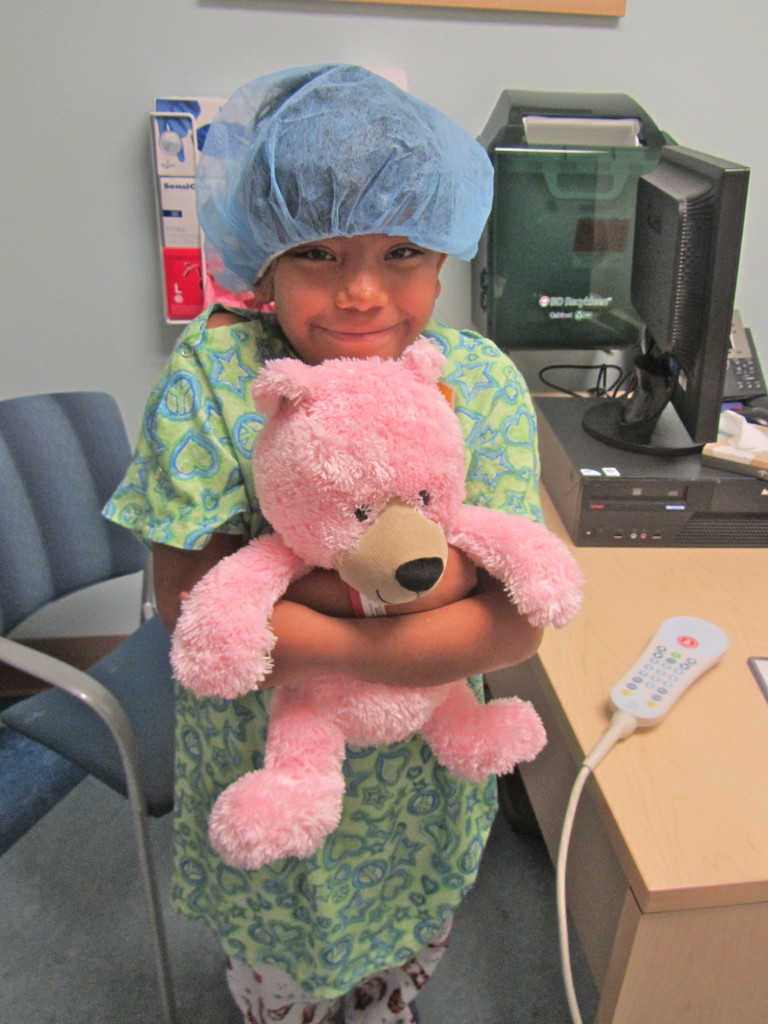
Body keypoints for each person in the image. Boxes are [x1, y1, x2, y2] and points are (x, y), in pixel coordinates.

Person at [105, 64, 545, 1024]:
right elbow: (196, 611)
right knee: (286, 982)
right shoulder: (218, 380)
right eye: (315, 252)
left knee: (403, 962)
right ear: (261, 260)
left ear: (444, 256)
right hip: (271, 767)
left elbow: (513, 629)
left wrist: (303, 621)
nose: (359, 292)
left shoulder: (479, 383)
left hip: (424, 785)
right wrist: (439, 597)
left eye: (399, 252)